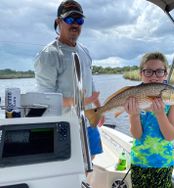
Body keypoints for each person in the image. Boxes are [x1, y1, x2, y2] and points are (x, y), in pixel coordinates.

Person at [34, 0, 103, 158]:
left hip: (87, 119)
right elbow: (46, 98)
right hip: (62, 125)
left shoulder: (84, 50)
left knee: (91, 159)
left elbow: (90, 80)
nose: (75, 24)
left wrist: (99, 109)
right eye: (70, 19)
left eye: (79, 20)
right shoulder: (49, 54)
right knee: (72, 167)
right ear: (59, 22)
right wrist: (80, 101)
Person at [124, 52, 174, 188]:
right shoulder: (135, 96)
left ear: (165, 74)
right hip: (138, 162)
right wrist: (133, 115)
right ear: (141, 74)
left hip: (163, 163)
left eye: (159, 71)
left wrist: (160, 114)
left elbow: (170, 136)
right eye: (148, 71)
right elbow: (137, 135)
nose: (154, 76)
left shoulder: (173, 100)